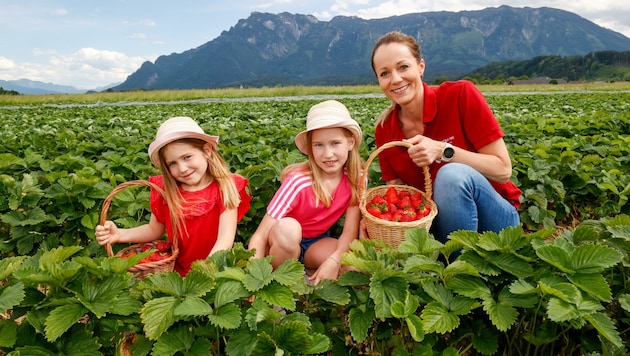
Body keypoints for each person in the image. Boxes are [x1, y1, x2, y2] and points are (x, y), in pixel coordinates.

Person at [369, 31, 521, 244]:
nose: (395, 79)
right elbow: (397, 195)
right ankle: (448, 260)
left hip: (496, 220)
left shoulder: (460, 95)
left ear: (420, 67)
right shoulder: (385, 129)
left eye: (403, 67)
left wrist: (443, 151)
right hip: (440, 225)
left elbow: (503, 170)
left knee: (451, 176)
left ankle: (459, 268)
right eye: (384, 73)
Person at [96, 116, 251, 276]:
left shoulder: (225, 187)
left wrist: (205, 271)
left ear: (206, 151)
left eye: (187, 157)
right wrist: (120, 234)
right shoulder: (166, 191)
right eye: (173, 163)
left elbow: (225, 239)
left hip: (215, 270)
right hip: (174, 271)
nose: (183, 168)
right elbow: (153, 230)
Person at [248, 100, 363, 285]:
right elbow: (260, 236)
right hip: (283, 243)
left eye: (335, 143)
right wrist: (255, 276)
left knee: (352, 266)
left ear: (350, 143)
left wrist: (333, 261)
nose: (328, 154)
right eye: (319, 145)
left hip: (316, 243)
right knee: (289, 229)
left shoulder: (356, 178)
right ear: (310, 148)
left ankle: (310, 276)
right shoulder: (298, 181)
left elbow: (349, 232)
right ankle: (278, 282)